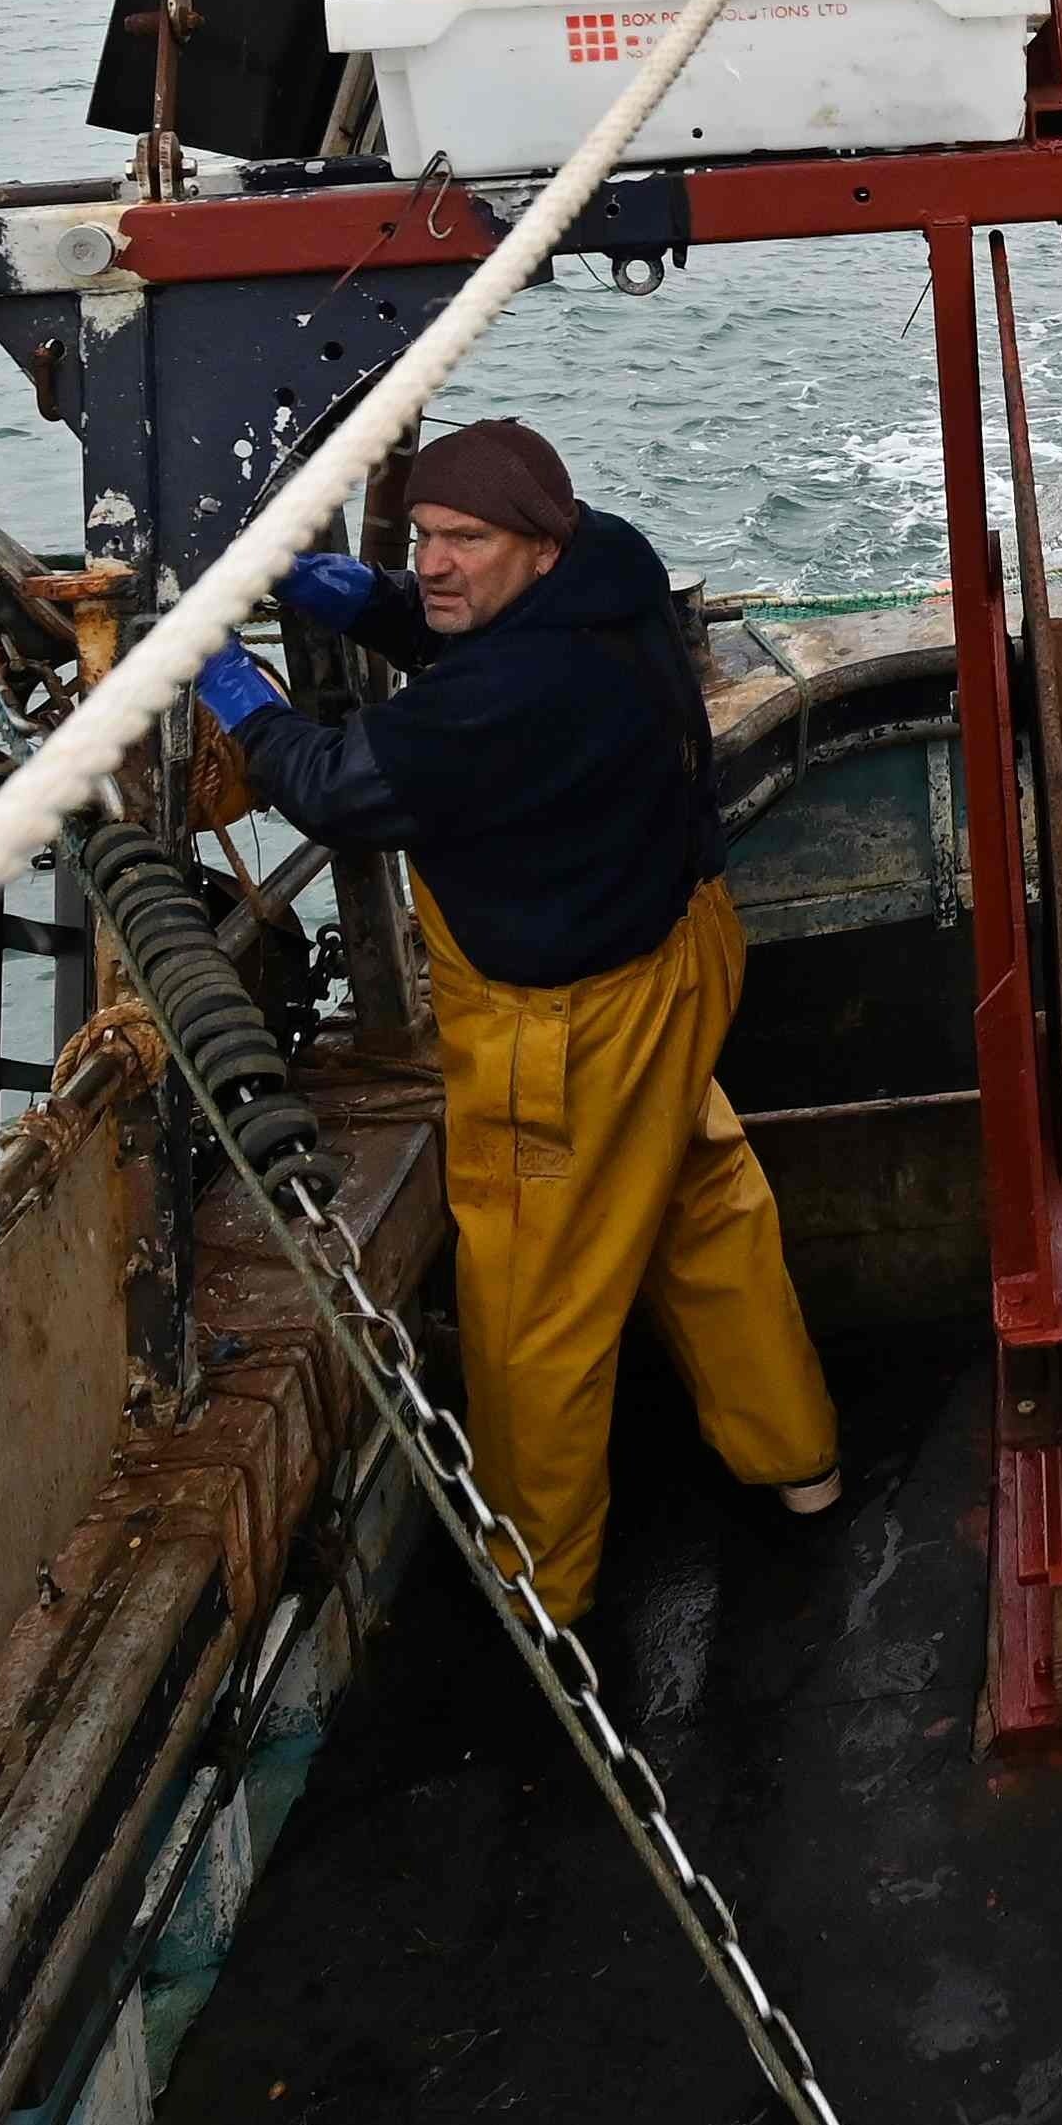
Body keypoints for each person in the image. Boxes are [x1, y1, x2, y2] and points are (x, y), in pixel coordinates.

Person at [190, 416, 837, 1620]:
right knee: (703, 1205)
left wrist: (226, 677)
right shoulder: (615, 567)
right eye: (425, 535)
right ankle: (797, 1461)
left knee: (537, 1303)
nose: (434, 560)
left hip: (572, 1029)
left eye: (466, 540)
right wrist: (360, 597)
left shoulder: (506, 698)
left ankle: (544, 1588)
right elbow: (465, 630)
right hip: (684, 952)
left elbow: (336, 786)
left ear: (539, 546)